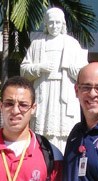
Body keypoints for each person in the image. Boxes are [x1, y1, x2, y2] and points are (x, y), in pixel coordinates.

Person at [21, 7, 87, 152]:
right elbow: (24, 70)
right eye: (51, 23)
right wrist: (40, 67)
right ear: (45, 24)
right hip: (43, 91)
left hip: (64, 94)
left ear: (63, 24)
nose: (54, 26)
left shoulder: (72, 44)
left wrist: (71, 68)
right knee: (42, 129)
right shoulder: (37, 44)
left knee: (65, 131)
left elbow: (84, 74)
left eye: (57, 23)